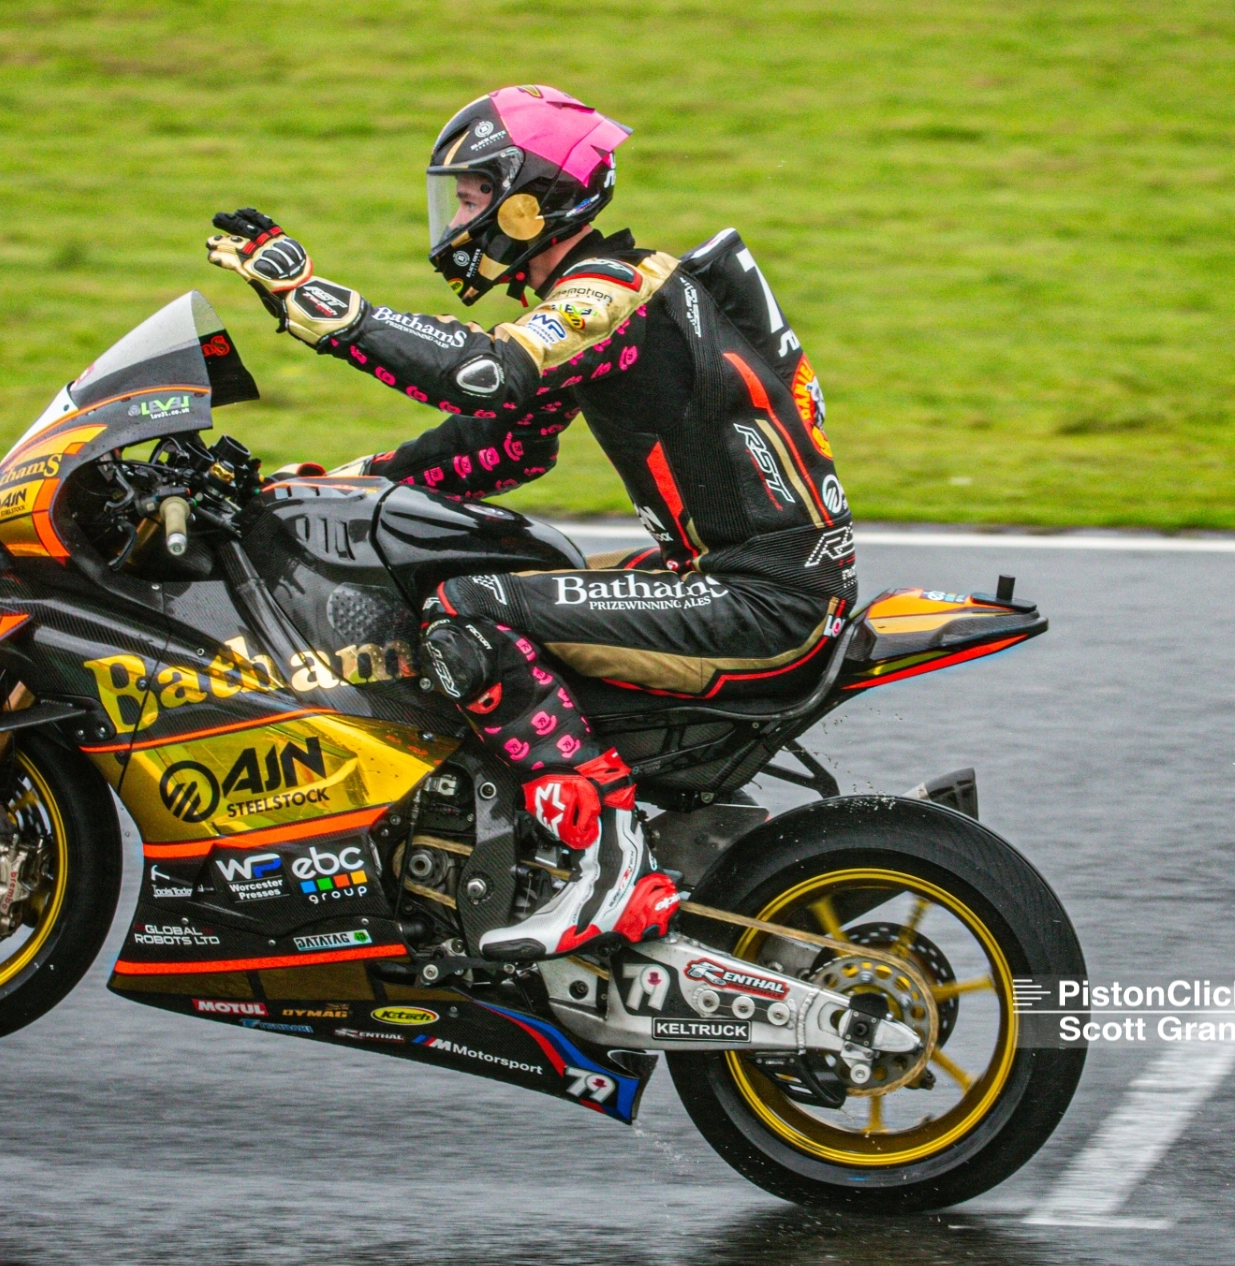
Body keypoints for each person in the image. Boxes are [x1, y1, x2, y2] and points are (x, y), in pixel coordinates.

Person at [206, 85, 855, 961]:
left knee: (472, 611)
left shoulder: (608, 294)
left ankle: (606, 860)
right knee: (504, 576)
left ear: (529, 201)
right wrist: (346, 482)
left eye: (472, 197)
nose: (458, 219)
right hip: (738, 576)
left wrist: (324, 306)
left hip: (761, 597)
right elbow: (504, 446)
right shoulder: (604, 302)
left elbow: (485, 374)